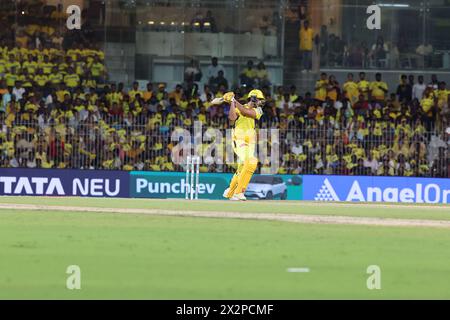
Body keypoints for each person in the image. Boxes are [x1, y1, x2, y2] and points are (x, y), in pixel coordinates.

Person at [222, 89, 264, 201]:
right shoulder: (239, 106)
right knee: (251, 162)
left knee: (242, 168)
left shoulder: (259, 110)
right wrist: (231, 103)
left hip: (250, 142)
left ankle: (230, 192)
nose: (261, 102)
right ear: (253, 98)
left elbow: (246, 112)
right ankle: (239, 192)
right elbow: (231, 118)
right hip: (239, 140)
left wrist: (233, 100)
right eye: (260, 99)